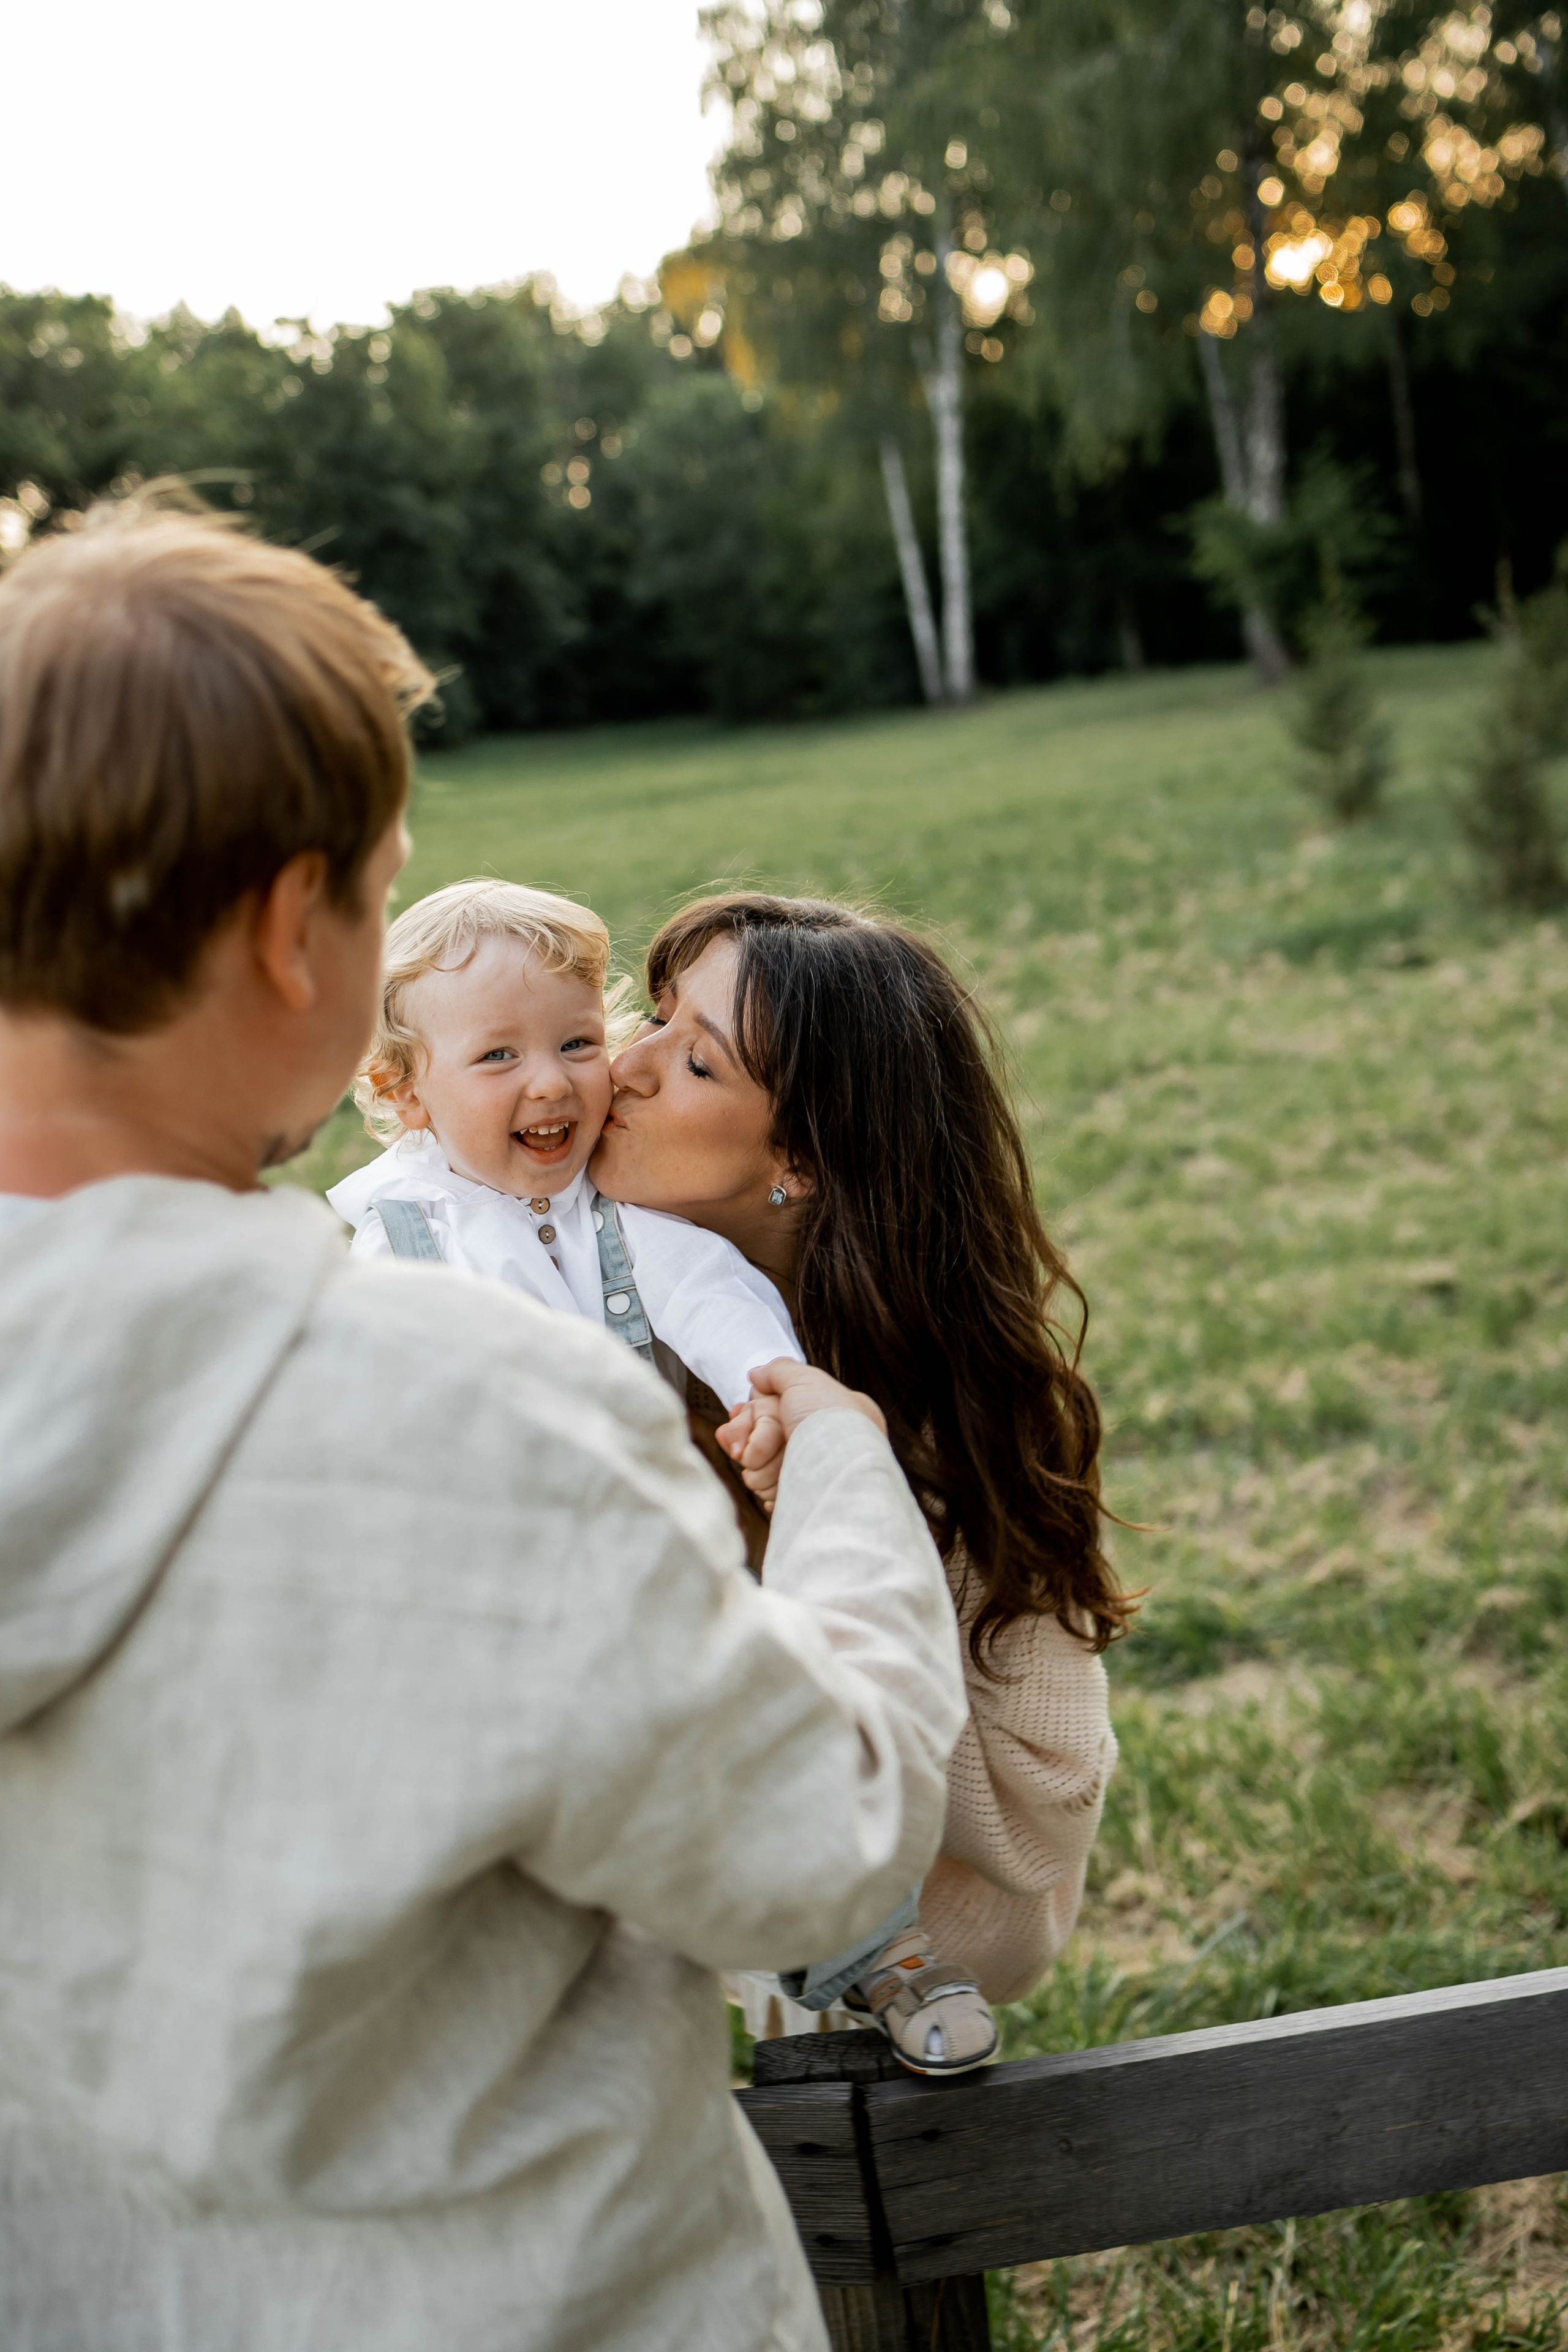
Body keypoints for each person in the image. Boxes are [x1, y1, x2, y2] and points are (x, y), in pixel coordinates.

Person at [0, 508, 967, 2352]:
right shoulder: (474, 1422)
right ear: (300, 930)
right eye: (380, 887)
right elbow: (821, 1840)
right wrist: (837, 1458)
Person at [591, 892, 1129, 2064]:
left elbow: (1034, 1818)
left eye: (691, 1061)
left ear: (800, 1158)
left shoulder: (943, 1421)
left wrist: (835, 1504)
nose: (619, 1067)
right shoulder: (565, 1301)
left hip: (879, 1958)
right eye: (650, 1014)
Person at [327, 877, 804, 1422]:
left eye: (576, 1044)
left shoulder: (620, 1204)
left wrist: (767, 1398)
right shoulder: (401, 1239)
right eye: (499, 1055)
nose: (551, 1083)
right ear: (406, 1092)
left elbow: (711, 1299)